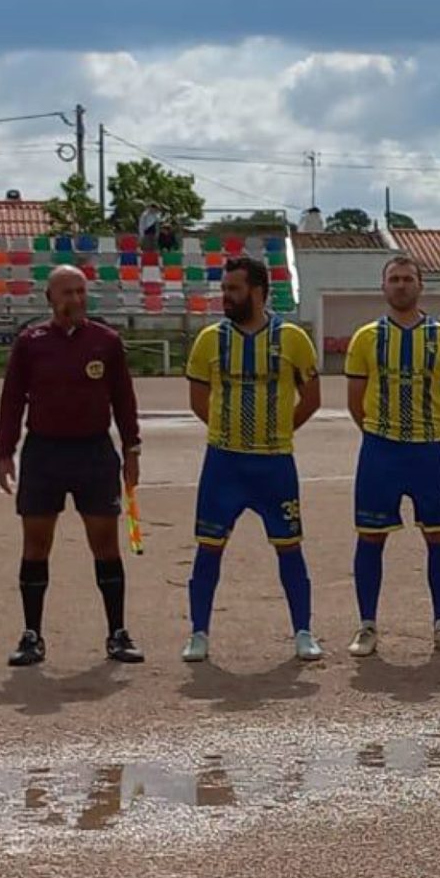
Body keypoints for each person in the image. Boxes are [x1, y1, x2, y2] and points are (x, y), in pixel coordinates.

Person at [0, 265, 143, 666]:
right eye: (67, 293)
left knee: (105, 543)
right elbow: (12, 399)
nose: (75, 300)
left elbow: (123, 400)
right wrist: (4, 450)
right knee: (36, 544)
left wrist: (132, 449)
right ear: (50, 298)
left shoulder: (107, 342)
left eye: (80, 292)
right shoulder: (31, 343)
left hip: (94, 453)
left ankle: (117, 633)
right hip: (44, 453)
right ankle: (31, 635)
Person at [180, 254, 321, 664]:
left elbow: (311, 399)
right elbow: (197, 398)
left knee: (289, 546)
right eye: (224, 289)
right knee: (209, 547)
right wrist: (229, 434)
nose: (226, 296)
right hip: (223, 464)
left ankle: (303, 632)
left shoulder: (292, 338)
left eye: (234, 289)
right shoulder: (210, 339)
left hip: (274, 464)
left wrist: (277, 432)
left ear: (258, 291)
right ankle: (199, 633)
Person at [344, 255, 440, 657]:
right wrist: (385, 433)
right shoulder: (366, 337)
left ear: (420, 286)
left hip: (429, 450)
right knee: (370, 536)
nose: (401, 285)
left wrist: (423, 428)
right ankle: (366, 625)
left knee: (439, 534)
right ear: (383, 287)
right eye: (394, 279)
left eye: (408, 279)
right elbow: (355, 402)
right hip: (380, 450)